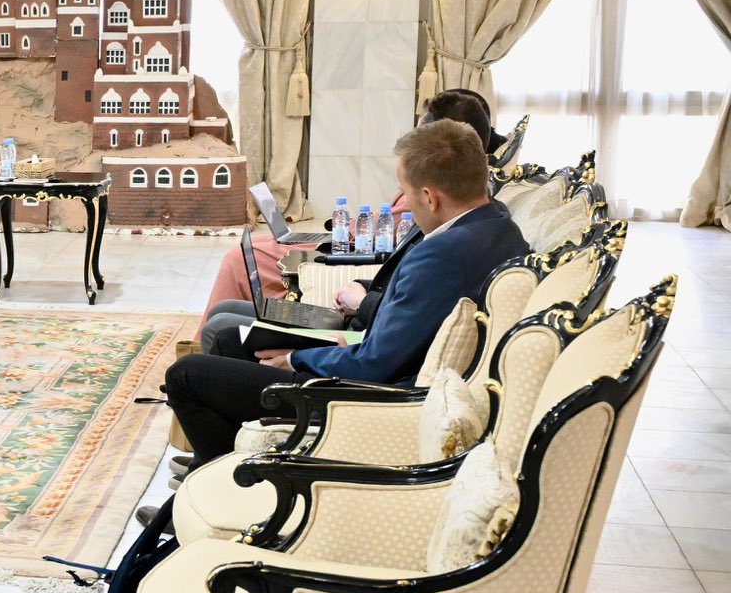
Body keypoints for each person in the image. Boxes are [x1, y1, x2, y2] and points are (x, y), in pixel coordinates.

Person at [163, 120, 530, 468]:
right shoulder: (499, 225)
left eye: (404, 192)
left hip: (365, 397)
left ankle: (222, 484)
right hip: (375, 359)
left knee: (186, 375)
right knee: (230, 340)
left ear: (430, 198)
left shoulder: (443, 255)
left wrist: (295, 359)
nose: (403, 201)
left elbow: (373, 365)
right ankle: (220, 471)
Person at [195, 88, 499, 352]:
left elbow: (378, 357)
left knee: (218, 331)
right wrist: (361, 290)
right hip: (356, 319)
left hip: (352, 340)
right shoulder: (478, 228)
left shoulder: (445, 248)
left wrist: (294, 358)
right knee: (223, 314)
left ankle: (201, 355)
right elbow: (400, 299)